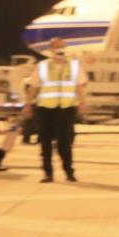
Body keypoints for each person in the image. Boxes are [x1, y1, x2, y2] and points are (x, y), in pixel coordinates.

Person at [22, 38, 86, 182]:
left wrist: (82, 103)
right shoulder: (42, 66)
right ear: (50, 50)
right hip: (46, 110)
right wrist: (27, 105)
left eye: (62, 47)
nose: (60, 50)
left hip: (66, 110)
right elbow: (33, 87)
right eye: (57, 47)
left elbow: (79, 86)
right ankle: (48, 173)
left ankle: (69, 172)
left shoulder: (74, 66)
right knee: (45, 143)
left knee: (65, 143)